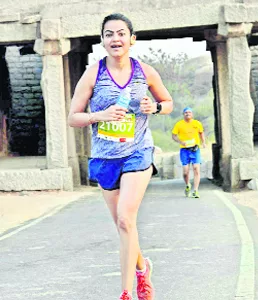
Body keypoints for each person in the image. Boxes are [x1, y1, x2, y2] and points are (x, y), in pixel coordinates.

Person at [67, 13, 173, 300]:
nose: (116, 39)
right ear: (103, 41)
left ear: (132, 39)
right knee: (122, 224)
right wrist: (98, 115)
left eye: (121, 33)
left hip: (137, 153)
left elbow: (168, 102)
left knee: (126, 218)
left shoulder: (145, 72)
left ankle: (126, 292)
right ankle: (142, 268)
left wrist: (156, 108)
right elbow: (72, 117)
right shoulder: (94, 73)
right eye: (109, 34)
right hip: (104, 158)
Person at [171, 106, 206, 198]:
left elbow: (201, 133)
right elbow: (174, 135)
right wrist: (180, 141)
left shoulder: (197, 123)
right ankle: (187, 185)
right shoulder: (179, 124)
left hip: (195, 149)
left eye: (189, 112)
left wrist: (203, 143)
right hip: (184, 150)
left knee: (196, 169)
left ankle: (195, 190)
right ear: (183, 114)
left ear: (192, 114)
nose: (188, 114)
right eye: (186, 112)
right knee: (185, 171)